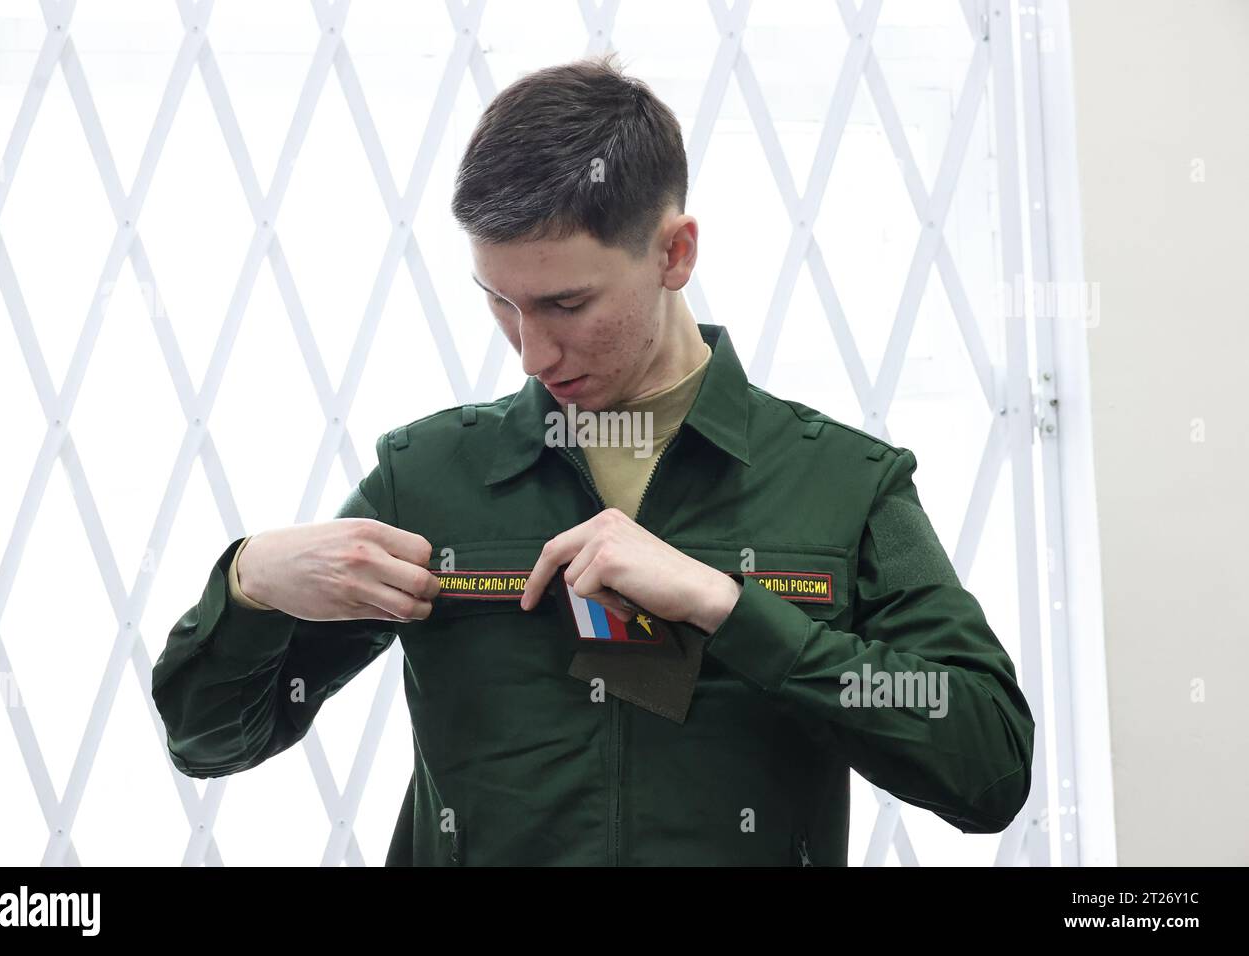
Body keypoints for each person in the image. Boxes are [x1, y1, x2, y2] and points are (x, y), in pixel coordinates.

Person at [151, 52, 1034, 866]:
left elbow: (988, 766)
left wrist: (732, 611)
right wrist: (250, 585)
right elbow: (209, 742)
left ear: (675, 253)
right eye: (500, 302)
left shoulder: (846, 485)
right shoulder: (427, 481)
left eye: (566, 303)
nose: (531, 353)